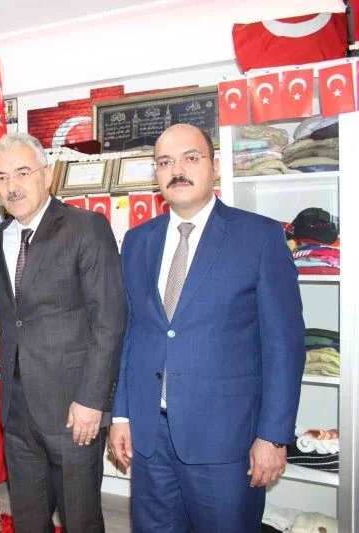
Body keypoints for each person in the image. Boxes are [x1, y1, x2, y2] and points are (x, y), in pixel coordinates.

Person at [107, 124, 306, 532]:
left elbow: (284, 348)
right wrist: (121, 414)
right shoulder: (138, 242)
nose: (177, 170)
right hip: (150, 438)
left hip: (227, 442)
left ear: (213, 166)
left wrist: (273, 436)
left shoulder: (260, 237)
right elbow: (132, 336)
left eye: (190, 158)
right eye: (165, 162)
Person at [0, 132, 126, 533]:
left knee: (80, 521)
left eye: (22, 172)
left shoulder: (86, 227)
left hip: (72, 409)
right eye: (1, 178)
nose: (12, 186)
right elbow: (9, 318)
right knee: (29, 521)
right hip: (17, 410)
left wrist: (92, 401)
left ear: (47, 175)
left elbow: (109, 320)